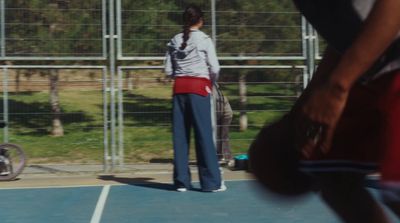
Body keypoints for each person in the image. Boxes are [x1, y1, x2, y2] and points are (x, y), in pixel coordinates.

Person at [291, 0, 400, 222]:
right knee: (335, 176)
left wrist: (337, 86)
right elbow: (348, 32)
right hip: (372, 65)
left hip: (391, 59)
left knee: (396, 188)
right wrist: (308, 102)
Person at [164, 5, 226, 192]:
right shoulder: (205, 40)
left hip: (179, 90)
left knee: (180, 136)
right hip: (199, 89)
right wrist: (210, 81)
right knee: (204, 135)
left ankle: (181, 182)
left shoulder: (174, 40)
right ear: (201, 20)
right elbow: (215, 68)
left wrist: (181, 73)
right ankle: (211, 183)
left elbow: (168, 70)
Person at [213, 82, 234, 164]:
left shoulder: (215, 93)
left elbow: (219, 108)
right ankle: (220, 156)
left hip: (226, 115)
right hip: (219, 114)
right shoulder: (214, 91)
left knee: (224, 136)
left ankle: (228, 158)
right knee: (218, 135)